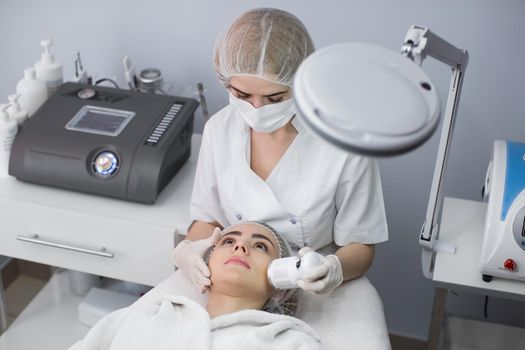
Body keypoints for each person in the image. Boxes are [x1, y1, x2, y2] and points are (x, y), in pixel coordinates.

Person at [174, 7, 388, 296]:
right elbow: (208, 220)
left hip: (307, 280)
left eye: (274, 97)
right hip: (235, 276)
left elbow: (361, 245)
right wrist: (188, 252)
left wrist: (333, 269)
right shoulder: (219, 130)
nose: (257, 109)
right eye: (242, 95)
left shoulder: (345, 143)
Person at [69, 222, 324, 350]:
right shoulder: (151, 314)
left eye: (260, 246)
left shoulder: (290, 343)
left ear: (279, 283)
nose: (240, 247)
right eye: (227, 242)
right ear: (206, 262)